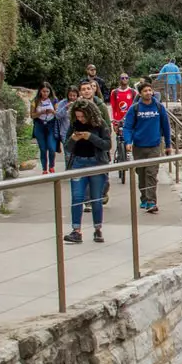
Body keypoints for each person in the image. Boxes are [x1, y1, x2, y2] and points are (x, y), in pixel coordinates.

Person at [61, 81, 112, 243]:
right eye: (77, 117)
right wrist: (73, 139)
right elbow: (67, 146)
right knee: (77, 197)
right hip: (79, 163)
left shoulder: (100, 124)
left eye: (83, 116)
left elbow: (107, 144)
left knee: (96, 198)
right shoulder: (74, 124)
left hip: (96, 163)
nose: (80, 120)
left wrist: (91, 137)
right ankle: (76, 230)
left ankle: (98, 229)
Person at [120, 82, 174, 213]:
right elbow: (127, 127)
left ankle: (151, 201)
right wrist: (128, 141)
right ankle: (144, 198)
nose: (148, 93)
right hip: (139, 146)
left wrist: (168, 144)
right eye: (145, 91)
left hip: (154, 146)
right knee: (141, 174)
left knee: (151, 173)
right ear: (140, 93)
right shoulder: (135, 108)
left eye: (150, 90)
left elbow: (166, 127)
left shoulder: (159, 107)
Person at [30, 84, 62, 173]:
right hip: (39, 125)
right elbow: (32, 115)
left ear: (50, 91)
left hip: (51, 124)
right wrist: (40, 112)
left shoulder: (54, 100)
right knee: (43, 148)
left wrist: (52, 111)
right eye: (43, 91)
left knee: (51, 147)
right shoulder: (35, 101)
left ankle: (51, 166)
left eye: (47, 91)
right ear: (40, 91)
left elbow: (58, 114)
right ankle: (44, 169)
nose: (45, 93)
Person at [108, 72, 137, 176]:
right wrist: (113, 121)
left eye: (126, 77)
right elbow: (113, 107)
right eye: (122, 78)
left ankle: (129, 153)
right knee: (119, 138)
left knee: (129, 138)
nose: (124, 79)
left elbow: (135, 107)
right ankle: (119, 154)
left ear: (128, 79)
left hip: (130, 120)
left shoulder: (133, 92)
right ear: (119, 79)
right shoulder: (114, 92)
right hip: (118, 119)